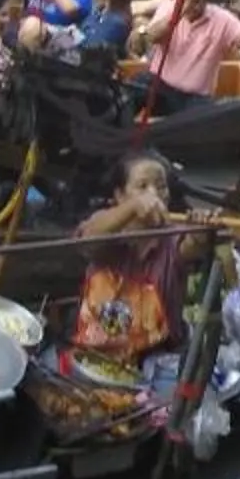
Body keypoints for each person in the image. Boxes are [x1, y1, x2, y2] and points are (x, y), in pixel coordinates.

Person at [67, 154, 195, 368]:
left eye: (161, 187)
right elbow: (88, 240)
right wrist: (133, 207)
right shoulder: (105, 223)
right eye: (142, 186)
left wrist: (202, 232)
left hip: (157, 363)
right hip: (95, 356)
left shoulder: (174, 237)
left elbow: (192, 246)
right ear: (120, 195)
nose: (153, 195)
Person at [130, 0, 240, 110]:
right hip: (160, 86)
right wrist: (183, 9)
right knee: (129, 92)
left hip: (195, 97)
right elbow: (149, 38)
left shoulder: (224, 19)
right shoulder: (168, 7)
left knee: (207, 113)